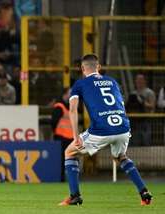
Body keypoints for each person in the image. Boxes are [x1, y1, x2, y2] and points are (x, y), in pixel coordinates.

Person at [59, 54, 152, 206]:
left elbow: (73, 110)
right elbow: (120, 104)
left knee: (70, 152)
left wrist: (76, 137)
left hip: (101, 128)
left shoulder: (80, 84)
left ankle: (75, 196)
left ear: (83, 69)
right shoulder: (112, 81)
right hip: (122, 126)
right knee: (121, 157)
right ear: (99, 67)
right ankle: (144, 193)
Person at [51, 88, 73, 181]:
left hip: (70, 137)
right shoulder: (59, 106)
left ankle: (69, 178)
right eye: (70, 93)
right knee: (62, 160)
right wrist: (56, 133)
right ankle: (61, 178)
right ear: (65, 94)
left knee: (70, 159)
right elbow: (53, 122)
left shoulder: (71, 106)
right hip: (61, 137)